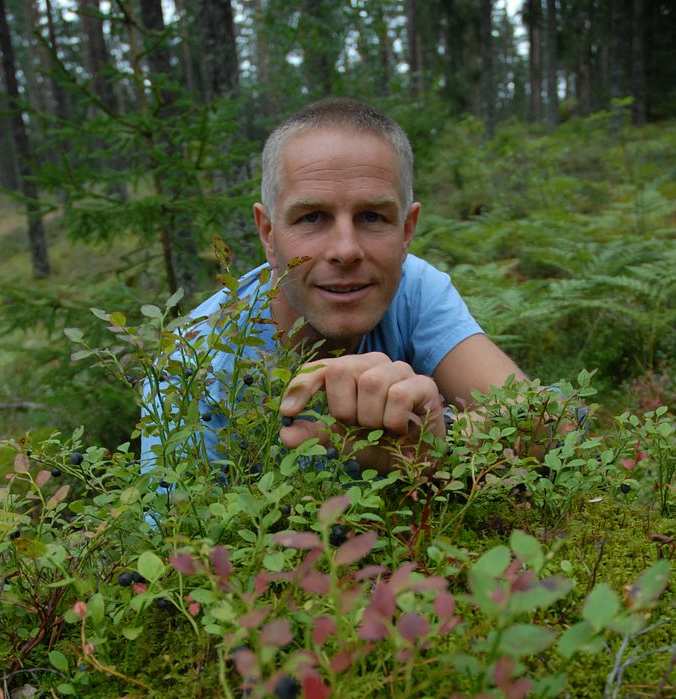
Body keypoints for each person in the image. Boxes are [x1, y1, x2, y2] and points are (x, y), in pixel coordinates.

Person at [142, 97, 526, 474]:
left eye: (372, 216)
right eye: (312, 217)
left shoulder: (414, 289)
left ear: (407, 230)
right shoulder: (190, 366)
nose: (346, 250)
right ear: (268, 234)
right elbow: (176, 535)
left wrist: (438, 446)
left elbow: (548, 419)